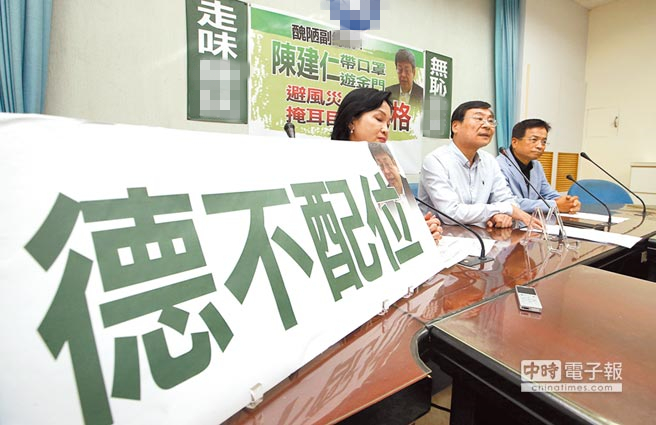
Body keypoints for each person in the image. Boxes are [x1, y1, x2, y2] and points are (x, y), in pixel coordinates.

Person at [332, 88, 442, 243]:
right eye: (379, 119)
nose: (385, 129)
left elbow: (396, 219)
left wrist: (421, 230)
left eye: (388, 123)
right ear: (351, 121)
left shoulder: (385, 166)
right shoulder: (329, 166)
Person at [418, 100, 537, 229]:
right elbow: (451, 213)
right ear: (455, 127)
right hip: (442, 235)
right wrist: (504, 209)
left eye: (490, 121)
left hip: (483, 235)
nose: (487, 125)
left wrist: (503, 215)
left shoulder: (489, 161)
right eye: (479, 119)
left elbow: (508, 200)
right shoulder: (435, 161)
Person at [497, 119, 581, 214]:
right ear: (514, 142)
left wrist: (569, 203)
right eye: (534, 140)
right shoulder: (498, 165)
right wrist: (554, 205)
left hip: (533, 220)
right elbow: (508, 202)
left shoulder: (536, 165)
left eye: (544, 142)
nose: (540, 146)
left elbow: (548, 193)